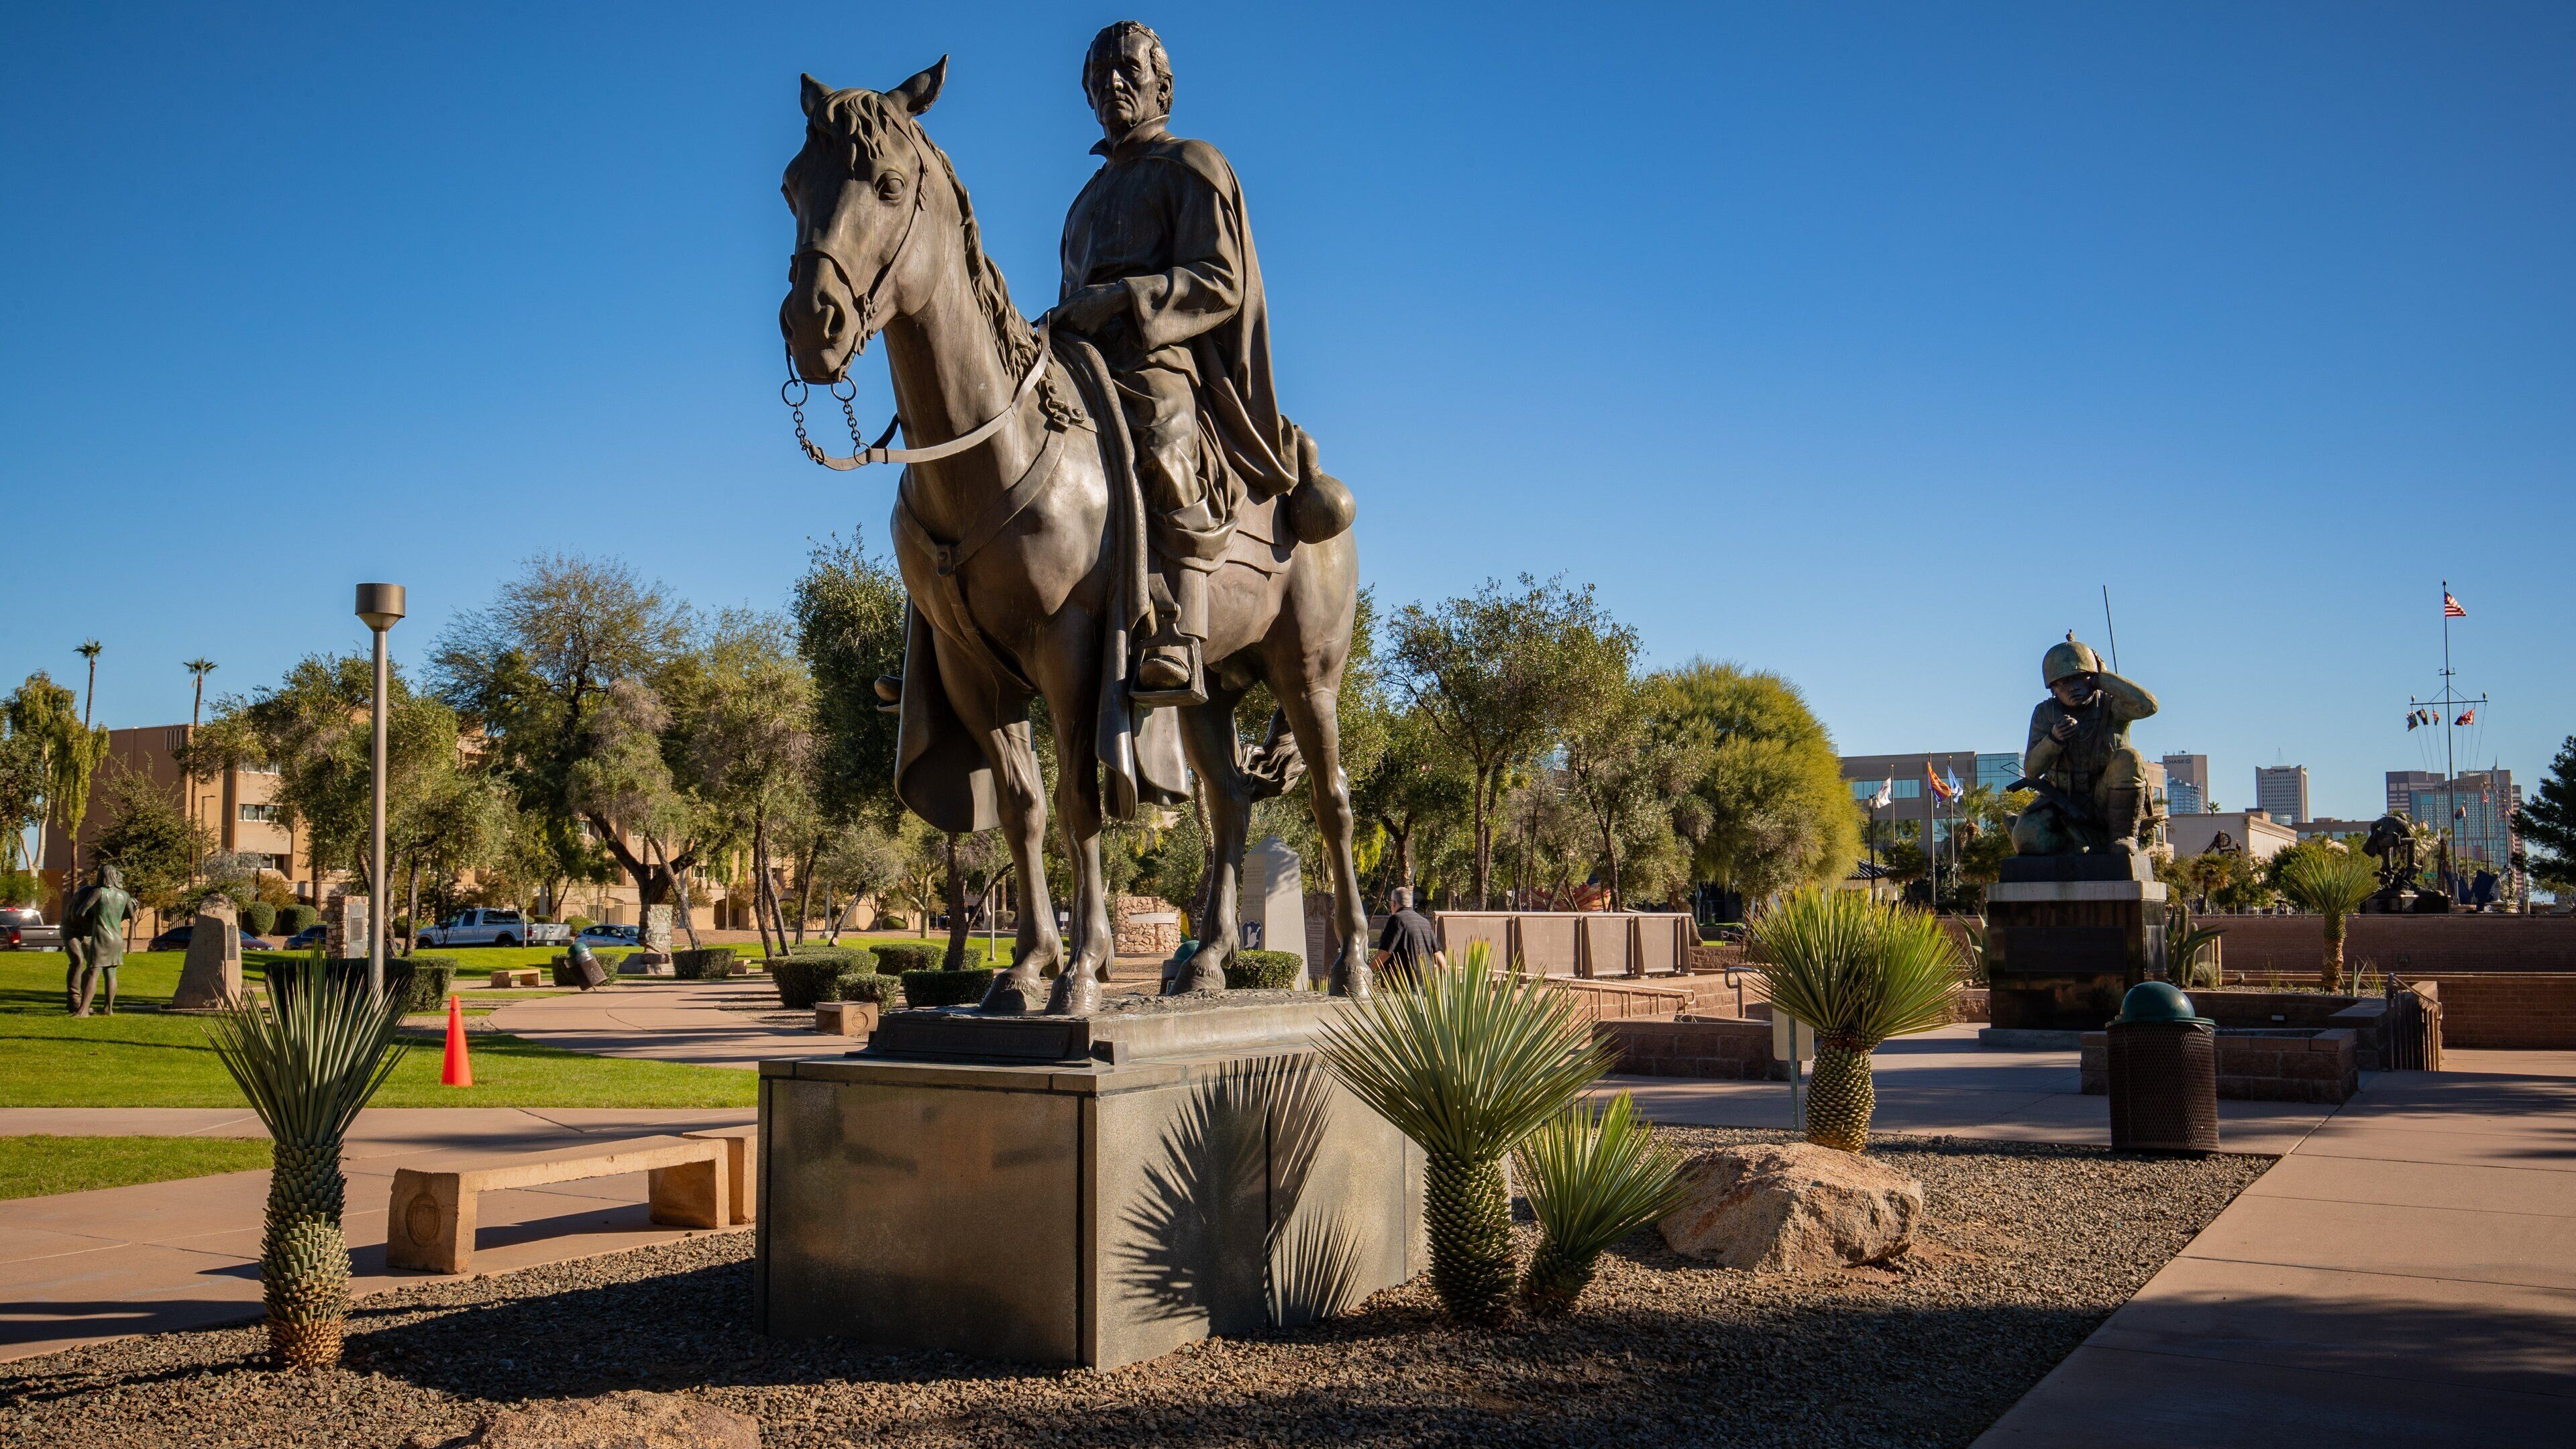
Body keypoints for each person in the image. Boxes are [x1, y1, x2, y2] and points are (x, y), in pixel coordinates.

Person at [1051, 20, 1354, 704]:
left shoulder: (1192, 165)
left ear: (1165, 85)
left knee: (1166, 439)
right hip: (1080, 362)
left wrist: (1123, 300)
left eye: (1128, 70)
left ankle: (1177, 635)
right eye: (1099, 77)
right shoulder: (1083, 203)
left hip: (1163, 358)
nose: (1112, 84)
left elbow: (1222, 278)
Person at [2010, 633, 2159, 856]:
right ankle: (2078, 843)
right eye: (2062, 682)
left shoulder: (2111, 706)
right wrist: (2054, 740)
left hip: (2107, 799)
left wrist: (2104, 678)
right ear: (2052, 688)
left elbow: (2148, 706)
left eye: (2080, 678)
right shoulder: (2045, 713)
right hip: (2062, 804)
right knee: (2029, 842)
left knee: (2129, 757)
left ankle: (2122, 837)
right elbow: (2032, 771)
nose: (2073, 688)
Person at [62, 863, 136, 1017]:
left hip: (99, 936)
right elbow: (75, 917)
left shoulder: (100, 893)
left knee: (93, 970)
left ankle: (85, 1009)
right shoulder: (89, 892)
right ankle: (76, 1000)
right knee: (79, 961)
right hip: (74, 930)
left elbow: (87, 913)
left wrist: (104, 914)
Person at [1372, 887, 1447, 981]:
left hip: (1405, 984)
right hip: (1427, 983)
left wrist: (1368, 970)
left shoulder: (1396, 919)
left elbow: (1386, 952)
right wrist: (1449, 976)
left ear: (1394, 903)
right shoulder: (1424, 922)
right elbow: (1437, 952)